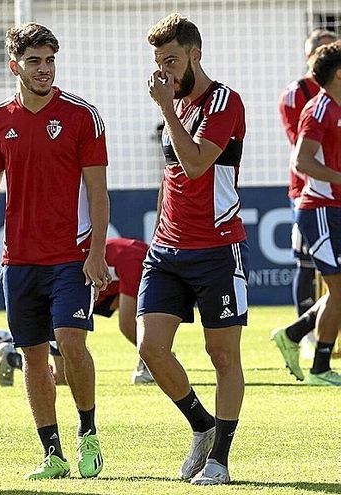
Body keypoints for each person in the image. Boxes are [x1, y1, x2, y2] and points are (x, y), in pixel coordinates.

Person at [0, 23, 110, 480]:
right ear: (14, 66)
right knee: (33, 356)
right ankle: (52, 453)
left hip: (72, 256)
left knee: (71, 343)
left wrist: (97, 251)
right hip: (19, 260)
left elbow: (98, 191)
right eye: (34, 62)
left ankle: (89, 435)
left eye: (50, 60)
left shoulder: (82, 116)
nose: (44, 70)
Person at [139, 14, 248, 485]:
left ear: (195, 54)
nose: (164, 71)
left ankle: (220, 459)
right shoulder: (175, 105)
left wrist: (165, 108)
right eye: (159, 62)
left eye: (171, 60)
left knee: (222, 356)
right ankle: (201, 425)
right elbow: (173, 178)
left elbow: (198, 165)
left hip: (216, 247)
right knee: (150, 349)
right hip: (166, 249)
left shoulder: (223, 101)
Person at [0, 237, 153, 387]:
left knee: (61, 373)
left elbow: (119, 303)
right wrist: (157, 356)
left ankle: (149, 361)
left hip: (68, 288)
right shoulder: (136, 260)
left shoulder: (136, 256)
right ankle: (13, 357)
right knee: (61, 377)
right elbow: (127, 323)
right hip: (63, 298)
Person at [271, 29, 338, 380]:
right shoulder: (309, 102)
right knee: (314, 270)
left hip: (333, 200)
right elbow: (304, 156)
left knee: (337, 285)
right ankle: (315, 352)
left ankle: (296, 334)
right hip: (314, 200)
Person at [287, 40, 341, 386]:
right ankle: (320, 367)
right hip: (319, 210)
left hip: (335, 208)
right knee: (339, 290)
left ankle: (293, 335)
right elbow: (301, 161)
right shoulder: (318, 109)